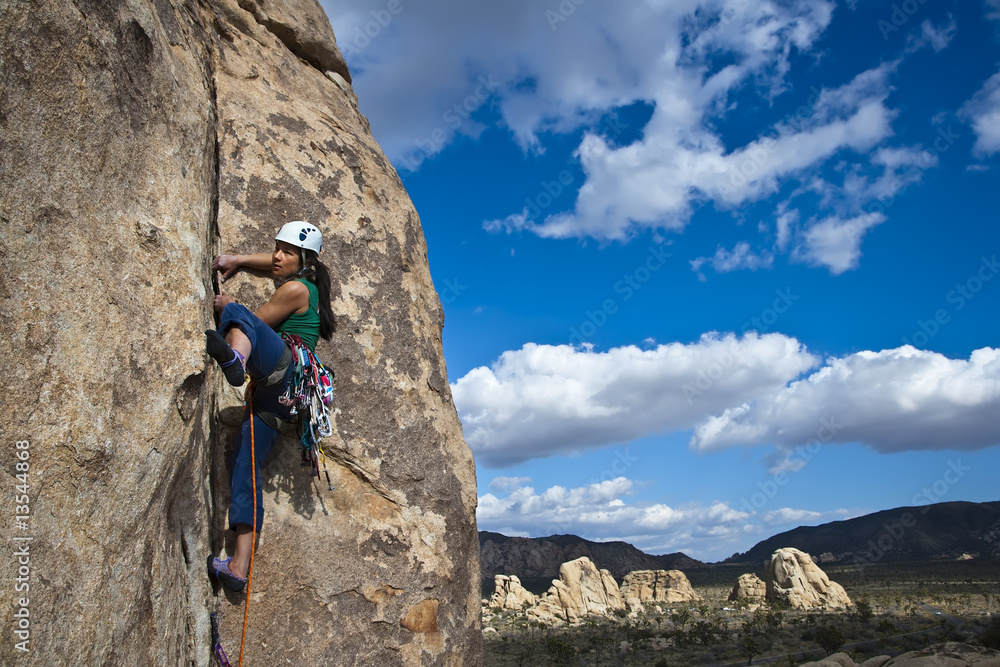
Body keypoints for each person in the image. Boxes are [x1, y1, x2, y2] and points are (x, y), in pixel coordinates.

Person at [205, 221, 335, 592]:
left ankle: (234, 359)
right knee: (245, 469)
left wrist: (229, 305)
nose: (277, 256)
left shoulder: (296, 289)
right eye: (275, 248)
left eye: (286, 251)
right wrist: (240, 259)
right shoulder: (300, 278)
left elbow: (256, 322)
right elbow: (278, 262)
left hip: (285, 367)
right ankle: (238, 567)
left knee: (241, 316)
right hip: (280, 397)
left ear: (304, 260)